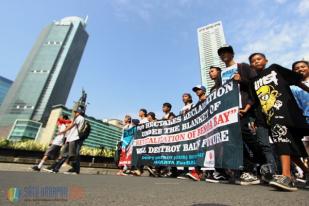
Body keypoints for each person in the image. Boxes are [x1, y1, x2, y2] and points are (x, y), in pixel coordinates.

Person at [249, 53, 309, 191]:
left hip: (286, 112)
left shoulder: (274, 69)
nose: (256, 62)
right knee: (288, 148)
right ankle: (306, 171)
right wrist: (258, 121)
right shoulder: (253, 82)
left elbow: (296, 81)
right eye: (253, 61)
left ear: (265, 60)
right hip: (271, 117)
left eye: (259, 59)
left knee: (284, 144)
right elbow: (257, 103)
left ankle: (287, 177)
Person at [218, 45, 262, 186]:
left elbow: (255, 85)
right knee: (233, 141)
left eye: (227, 52)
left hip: (243, 110)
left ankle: (265, 165)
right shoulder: (221, 75)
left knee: (249, 139)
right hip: (227, 112)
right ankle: (246, 171)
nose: (224, 55)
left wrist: (241, 80)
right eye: (221, 53)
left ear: (232, 53)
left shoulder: (242, 67)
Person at [51, 107, 86, 174]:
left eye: (76, 112)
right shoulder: (77, 118)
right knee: (64, 153)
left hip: (74, 138)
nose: (75, 113)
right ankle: (56, 168)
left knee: (72, 155)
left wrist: (63, 131)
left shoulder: (80, 118)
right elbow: (70, 125)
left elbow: (71, 126)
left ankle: (75, 170)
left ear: (79, 112)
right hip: (70, 138)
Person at [290, 60, 309, 185]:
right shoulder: (292, 87)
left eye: (303, 66)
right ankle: (307, 172)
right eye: (296, 68)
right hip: (303, 120)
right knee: (304, 150)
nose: (300, 69)